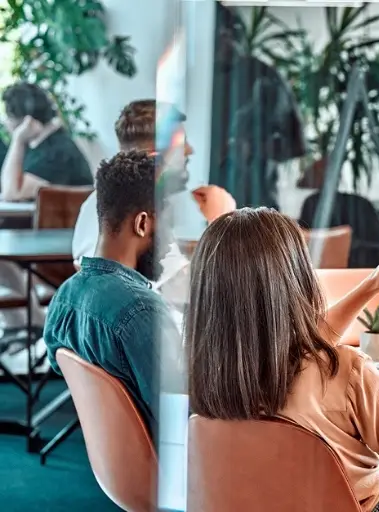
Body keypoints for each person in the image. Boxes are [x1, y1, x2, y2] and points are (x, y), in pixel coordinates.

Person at [186, 209, 379, 512]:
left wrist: (372, 284)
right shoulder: (344, 371)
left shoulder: (208, 374)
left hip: (268, 502)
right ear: (295, 278)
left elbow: (297, 348)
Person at [43, 151, 182, 432]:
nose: (172, 241)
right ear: (142, 223)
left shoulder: (64, 298)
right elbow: (180, 416)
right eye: (169, 225)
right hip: (168, 467)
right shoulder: (143, 311)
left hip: (114, 460)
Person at [72, 99, 237, 268]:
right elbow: (160, 282)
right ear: (154, 155)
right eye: (181, 144)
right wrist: (220, 223)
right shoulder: (117, 209)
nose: (190, 150)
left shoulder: (106, 203)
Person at [0, 81, 92, 201]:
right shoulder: (45, 147)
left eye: (9, 117)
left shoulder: (56, 153)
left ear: (26, 122)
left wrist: (18, 139)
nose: (6, 123)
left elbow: (11, 193)